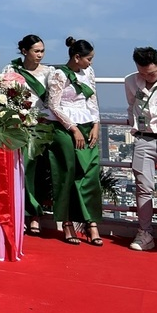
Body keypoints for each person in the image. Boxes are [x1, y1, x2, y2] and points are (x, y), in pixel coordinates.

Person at [46, 37, 102, 246]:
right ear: (77, 57)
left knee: (90, 173)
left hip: (87, 124)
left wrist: (96, 123)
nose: (91, 62)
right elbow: (54, 105)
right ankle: (67, 221)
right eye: (88, 58)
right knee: (68, 171)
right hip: (65, 126)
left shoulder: (89, 73)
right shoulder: (59, 75)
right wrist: (73, 128)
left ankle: (91, 222)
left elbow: (92, 98)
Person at [124, 47, 157, 253]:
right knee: (143, 187)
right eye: (142, 73)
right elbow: (131, 105)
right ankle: (144, 233)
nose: (146, 77)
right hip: (143, 138)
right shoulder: (131, 81)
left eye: (151, 73)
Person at [3, 35, 52, 235]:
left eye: (42, 51)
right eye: (36, 51)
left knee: (38, 171)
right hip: (17, 126)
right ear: (24, 51)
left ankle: (35, 214)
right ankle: (19, 212)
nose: (40, 55)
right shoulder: (11, 70)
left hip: (42, 125)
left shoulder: (49, 73)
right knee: (19, 171)